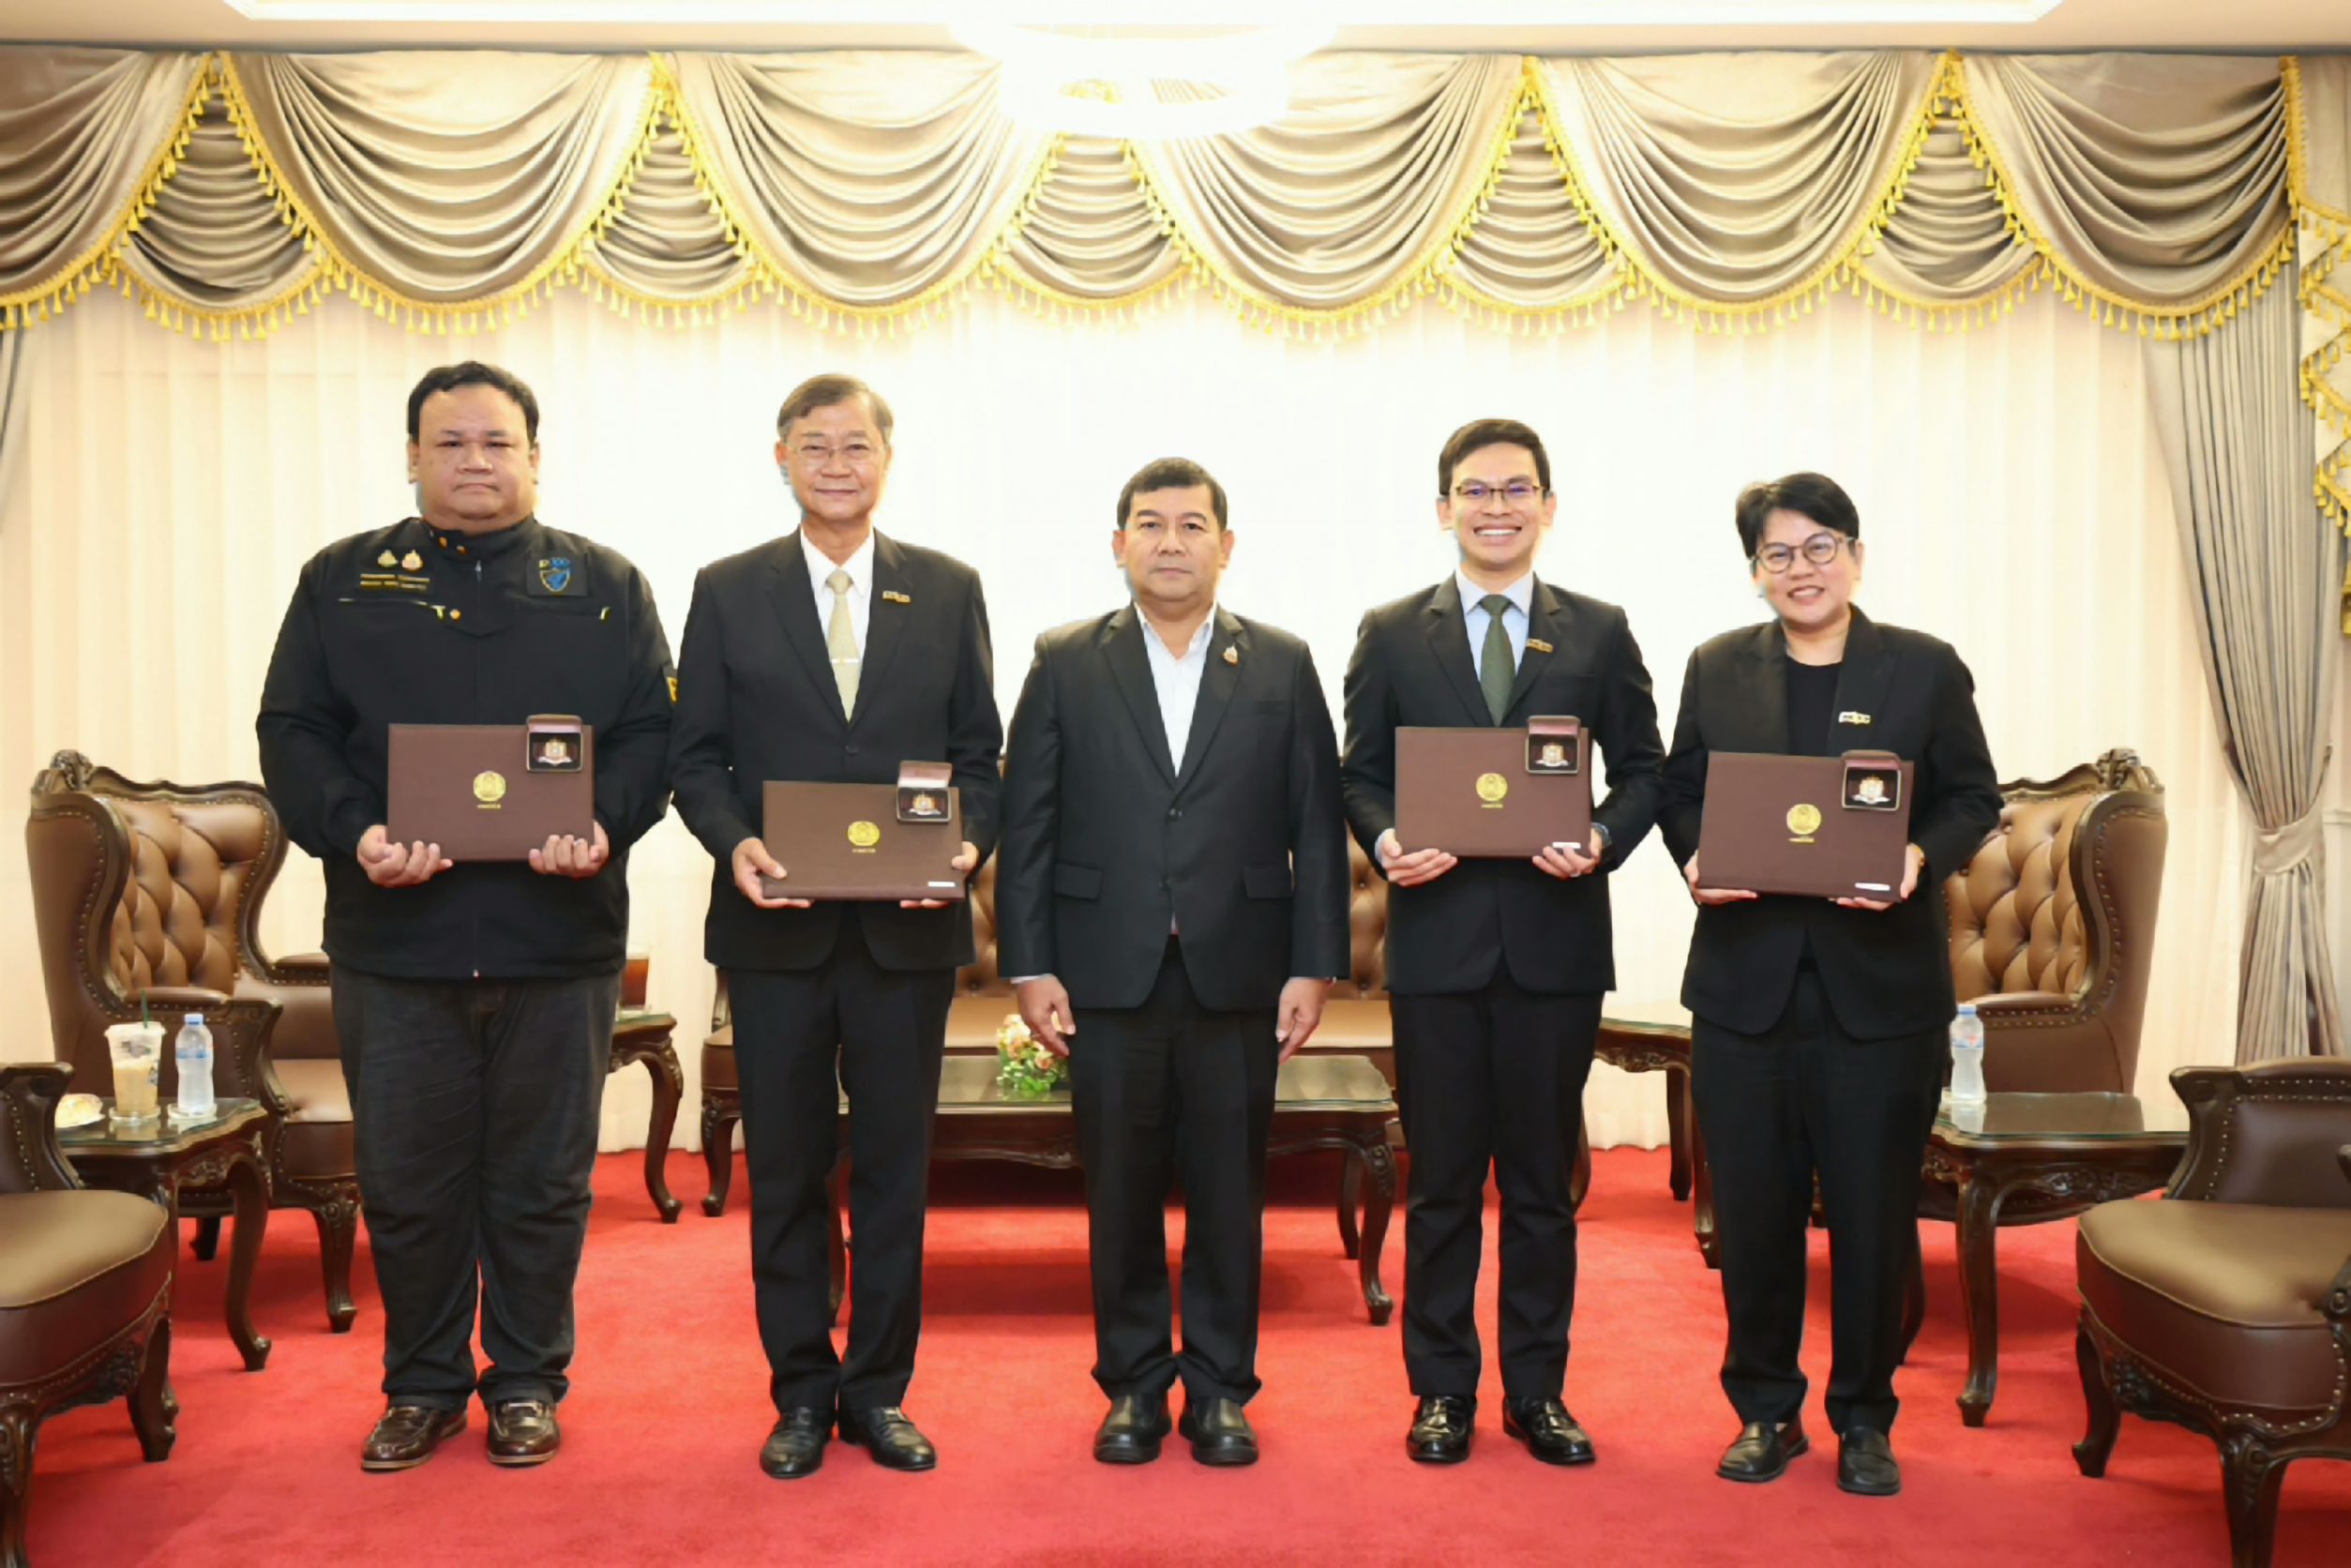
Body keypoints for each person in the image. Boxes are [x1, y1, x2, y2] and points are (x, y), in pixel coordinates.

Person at [257, 360, 675, 1471]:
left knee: (543, 1184)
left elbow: (652, 734)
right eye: (450, 443)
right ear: (412, 457)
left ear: (536, 457)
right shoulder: (342, 580)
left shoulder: (605, 585)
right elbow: (292, 729)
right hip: (397, 941)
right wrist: (357, 832)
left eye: (497, 443)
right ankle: (425, 1385)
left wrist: (602, 823)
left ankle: (528, 1381)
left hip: (557, 937)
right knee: (407, 1183)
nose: (475, 462)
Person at [667, 373, 1002, 1480]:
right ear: (782, 459)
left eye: (856, 445)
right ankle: (801, 1394)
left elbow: (979, 758)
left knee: (896, 1174)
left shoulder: (947, 588)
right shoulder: (728, 589)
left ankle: (880, 1392)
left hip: (906, 937)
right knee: (789, 1171)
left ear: (885, 460)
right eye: (814, 446)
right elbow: (694, 757)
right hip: (775, 931)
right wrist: (733, 843)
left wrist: (963, 850)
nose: (836, 464)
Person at [998, 458, 1349, 1467]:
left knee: (1231, 1191)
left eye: (1192, 525)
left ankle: (1222, 1388)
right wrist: (1029, 965)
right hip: (1102, 973)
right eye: (1149, 524)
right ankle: (1134, 1385)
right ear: (1119, 545)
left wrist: (1314, 963)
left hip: (1241, 969)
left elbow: (1315, 824)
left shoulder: (1280, 662)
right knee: (1118, 1191)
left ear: (1224, 547)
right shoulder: (1065, 659)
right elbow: (1028, 825)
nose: (1169, 541)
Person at [1659, 472, 2000, 1497]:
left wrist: (1914, 858)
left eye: (1819, 547)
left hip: (1878, 993)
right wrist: (1694, 856)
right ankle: (1765, 1409)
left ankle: (1863, 1416)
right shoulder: (1717, 666)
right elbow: (1681, 792)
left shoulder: (1922, 667)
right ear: (1754, 571)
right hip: (1744, 988)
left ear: (1854, 556)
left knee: (1872, 1212)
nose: (1800, 568)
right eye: (1778, 552)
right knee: (1753, 1214)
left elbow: (1970, 796)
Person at [1339, 418, 1664, 1466]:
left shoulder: (1598, 632)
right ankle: (1440, 1391)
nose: (1495, 507)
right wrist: (1385, 839)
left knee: (1538, 1187)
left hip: (1551, 946)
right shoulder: (1393, 632)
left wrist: (1602, 839)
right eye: (1474, 491)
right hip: (1434, 948)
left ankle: (1536, 1392)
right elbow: (1357, 774)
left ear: (1547, 507)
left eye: (1515, 489)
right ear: (1444, 509)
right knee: (1439, 1184)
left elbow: (1647, 771)